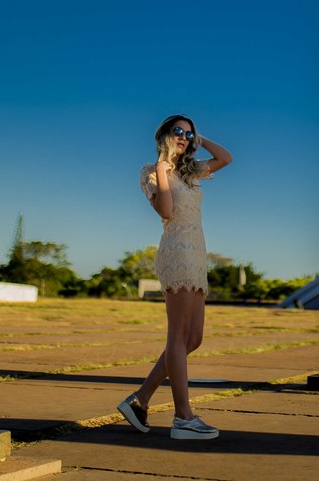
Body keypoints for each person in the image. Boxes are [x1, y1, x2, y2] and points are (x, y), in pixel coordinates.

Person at [117, 115, 232, 440]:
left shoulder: (191, 171)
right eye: (177, 131)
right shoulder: (151, 172)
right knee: (178, 336)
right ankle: (183, 418)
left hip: (197, 256)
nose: (183, 136)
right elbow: (166, 211)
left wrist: (200, 137)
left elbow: (226, 158)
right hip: (176, 253)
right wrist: (162, 171)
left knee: (193, 339)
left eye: (187, 133)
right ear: (164, 135)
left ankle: (139, 399)